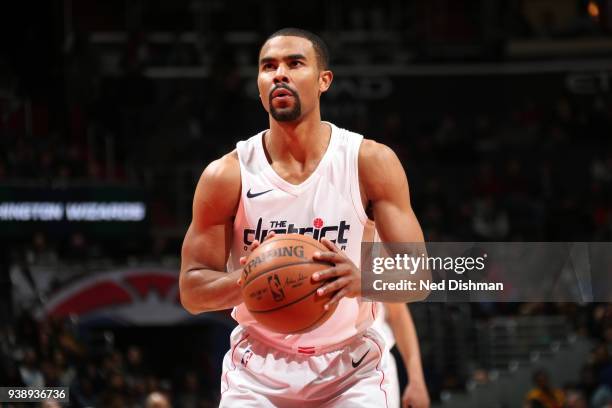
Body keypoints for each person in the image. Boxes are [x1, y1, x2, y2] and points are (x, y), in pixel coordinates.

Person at [180, 27, 430, 407]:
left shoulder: (369, 162)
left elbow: (418, 276)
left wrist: (362, 280)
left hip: (350, 368)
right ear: (260, 85)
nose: (279, 73)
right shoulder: (226, 175)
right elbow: (192, 292)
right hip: (258, 370)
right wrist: (249, 282)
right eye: (268, 67)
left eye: (295, 63)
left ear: (323, 80)